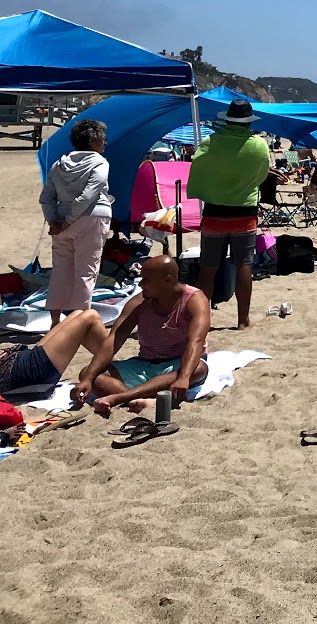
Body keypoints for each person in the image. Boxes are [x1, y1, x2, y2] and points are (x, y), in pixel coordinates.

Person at [74, 255, 209, 417]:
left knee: (199, 369)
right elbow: (114, 338)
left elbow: (196, 341)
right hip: (144, 364)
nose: (140, 284)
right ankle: (144, 398)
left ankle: (122, 397)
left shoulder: (193, 300)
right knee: (88, 373)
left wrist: (184, 376)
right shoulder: (139, 302)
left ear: (167, 280)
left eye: (146, 280)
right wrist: (88, 378)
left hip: (177, 364)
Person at [188, 98, 272, 329]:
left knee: (208, 268)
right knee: (243, 266)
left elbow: (199, 168)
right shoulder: (258, 145)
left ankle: (201, 321)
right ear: (248, 122)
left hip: (215, 212)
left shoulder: (210, 142)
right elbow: (261, 175)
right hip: (244, 212)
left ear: (228, 119)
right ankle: (243, 320)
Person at [39, 118, 114, 327]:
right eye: (103, 138)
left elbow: (46, 197)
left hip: (61, 221)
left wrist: (54, 220)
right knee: (86, 272)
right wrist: (69, 220)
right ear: (94, 140)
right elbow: (89, 194)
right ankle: (79, 323)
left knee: (60, 271)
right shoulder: (99, 162)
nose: (105, 142)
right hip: (91, 218)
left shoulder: (58, 164)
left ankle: (55, 321)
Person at [0, 309, 110, 395]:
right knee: (90, 317)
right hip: (21, 372)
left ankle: (113, 366)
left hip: (17, 362)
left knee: (78, 314)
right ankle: (117, 369)